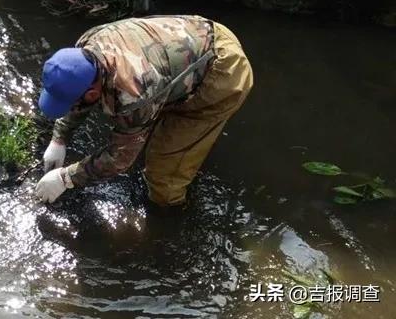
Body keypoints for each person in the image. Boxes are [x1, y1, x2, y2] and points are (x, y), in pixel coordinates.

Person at [34, 15, 253, 207]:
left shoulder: (132, 96)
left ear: (92, 93)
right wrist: (59, 138)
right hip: (199, 34)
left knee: (162, 175)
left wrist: (66, 179)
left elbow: (120, 159)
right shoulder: (86, 46)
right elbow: (78, 91)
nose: (69, 107)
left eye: (68, 103)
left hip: (222, 73)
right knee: (148, 125)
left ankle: (170, 219)